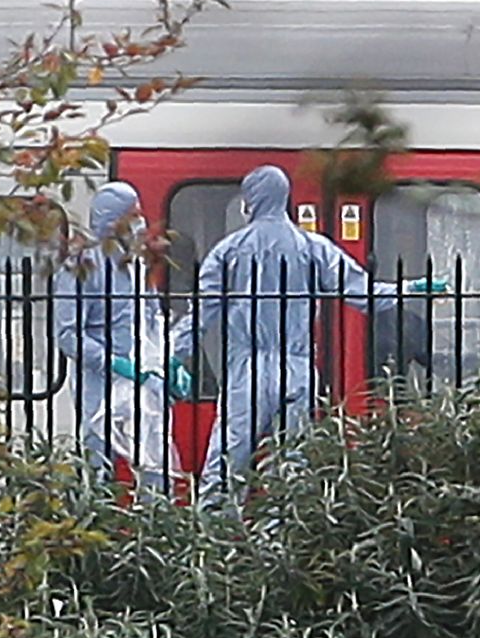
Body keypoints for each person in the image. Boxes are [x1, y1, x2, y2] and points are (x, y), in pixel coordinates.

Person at [171, 165, 443, 512]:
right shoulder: (312, 247)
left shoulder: (229, 251)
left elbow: (202, 313)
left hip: (248, 371)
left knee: (228, 461)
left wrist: (172, 353)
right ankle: (281, 542)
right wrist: (410, 288)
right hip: (297, 368)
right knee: (292, 463)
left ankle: (217, 542)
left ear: (250, 200)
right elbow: (363, 294)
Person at [53, 182, 190, 496]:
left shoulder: (136, 266)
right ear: (112, 221)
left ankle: (153, 530)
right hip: (100, 386)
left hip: (142, 383)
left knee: (155, 464)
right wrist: (116, 364)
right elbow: (68, 335)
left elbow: (151, 319)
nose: (140, 224)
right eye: (133, 216)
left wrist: (168, 361)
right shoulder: (81, 268)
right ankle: (100, 533)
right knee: (99, 465)